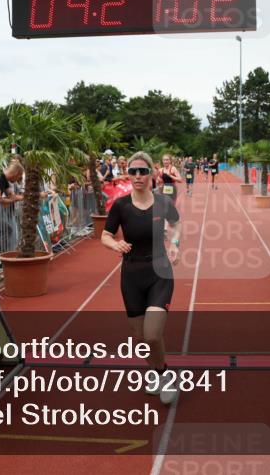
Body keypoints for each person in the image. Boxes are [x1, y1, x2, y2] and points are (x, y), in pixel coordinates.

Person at [101, 152, 181, 405]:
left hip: (160, 273)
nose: (138, 176)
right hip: (131, 276)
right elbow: (105, 235)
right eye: (133, 171)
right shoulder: (121, 206)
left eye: (143, 171)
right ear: (129, 174)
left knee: (152, 335)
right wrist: (115, 245)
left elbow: (176, 225)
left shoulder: (163, 202)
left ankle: (166, 376)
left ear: (151, 174)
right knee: (140, 339)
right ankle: (158, 372)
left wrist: (175, 244)